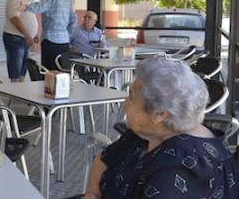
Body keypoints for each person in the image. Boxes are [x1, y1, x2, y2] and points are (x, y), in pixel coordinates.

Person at [85, 57, 238, 199]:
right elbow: (103, 159)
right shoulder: (147, 132)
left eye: (131, 97)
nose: (124, 103)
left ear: (159, 114)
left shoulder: (181, 169)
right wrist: (92, 194)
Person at [27, 0, 76, 70]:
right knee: (61, 71)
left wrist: (24, 7)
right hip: (64, 41)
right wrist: (68, 34)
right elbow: (73, 18)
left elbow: (39, 7)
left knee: (48, 72)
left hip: (51, 40)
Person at [3, 0, 39, 82]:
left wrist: (35, 34)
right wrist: (28, 35)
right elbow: (14, 19)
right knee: (15, 68)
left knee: (23, 66)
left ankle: (21, 90)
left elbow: (29, 16)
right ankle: (15, 92)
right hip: (15, 38)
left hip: (23, 38)